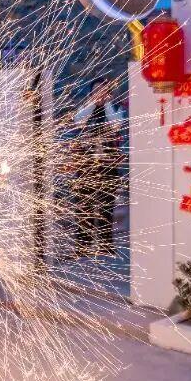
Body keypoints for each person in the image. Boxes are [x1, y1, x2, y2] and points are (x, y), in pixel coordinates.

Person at [71, 78, 124, 256]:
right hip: (86, 165)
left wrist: (106, 103)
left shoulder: (114, 108)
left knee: (106, 206)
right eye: (96, 91)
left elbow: (116, 125)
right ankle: (83, 246)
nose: (99, 93)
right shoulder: (86, 108)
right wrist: (93, 103)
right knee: (84, 205)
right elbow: (78, 121)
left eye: (102, 90)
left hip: (108, 165)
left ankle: (105, 245)